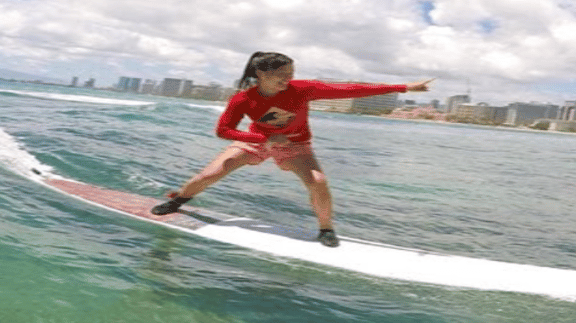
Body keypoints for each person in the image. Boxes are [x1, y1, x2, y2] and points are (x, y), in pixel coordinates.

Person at [151, 51, 433, 247]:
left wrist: (405, 87)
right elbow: (222, 131)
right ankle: (178, 201)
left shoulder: (303, 89)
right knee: (208, 176)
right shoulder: (243, 99)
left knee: (319, 182)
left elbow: (350, 90)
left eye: (291, 74)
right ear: (261, 74)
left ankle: (326, 230)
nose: (288, 79)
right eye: (282, 75)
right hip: (257, 140)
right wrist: (266, 141)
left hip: (297, 146)